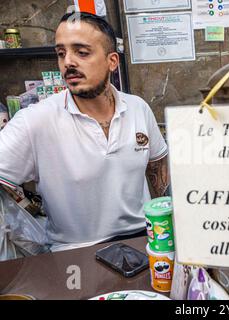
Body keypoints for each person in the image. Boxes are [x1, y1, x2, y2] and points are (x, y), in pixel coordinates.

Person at [0, 12, 169, 251]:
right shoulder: (35, 120)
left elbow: (157, 169)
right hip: (75, 252)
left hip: (143, 241)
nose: (68, 62)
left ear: (112, 61)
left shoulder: (138, 108)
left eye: (82, 52)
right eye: (61, 53)